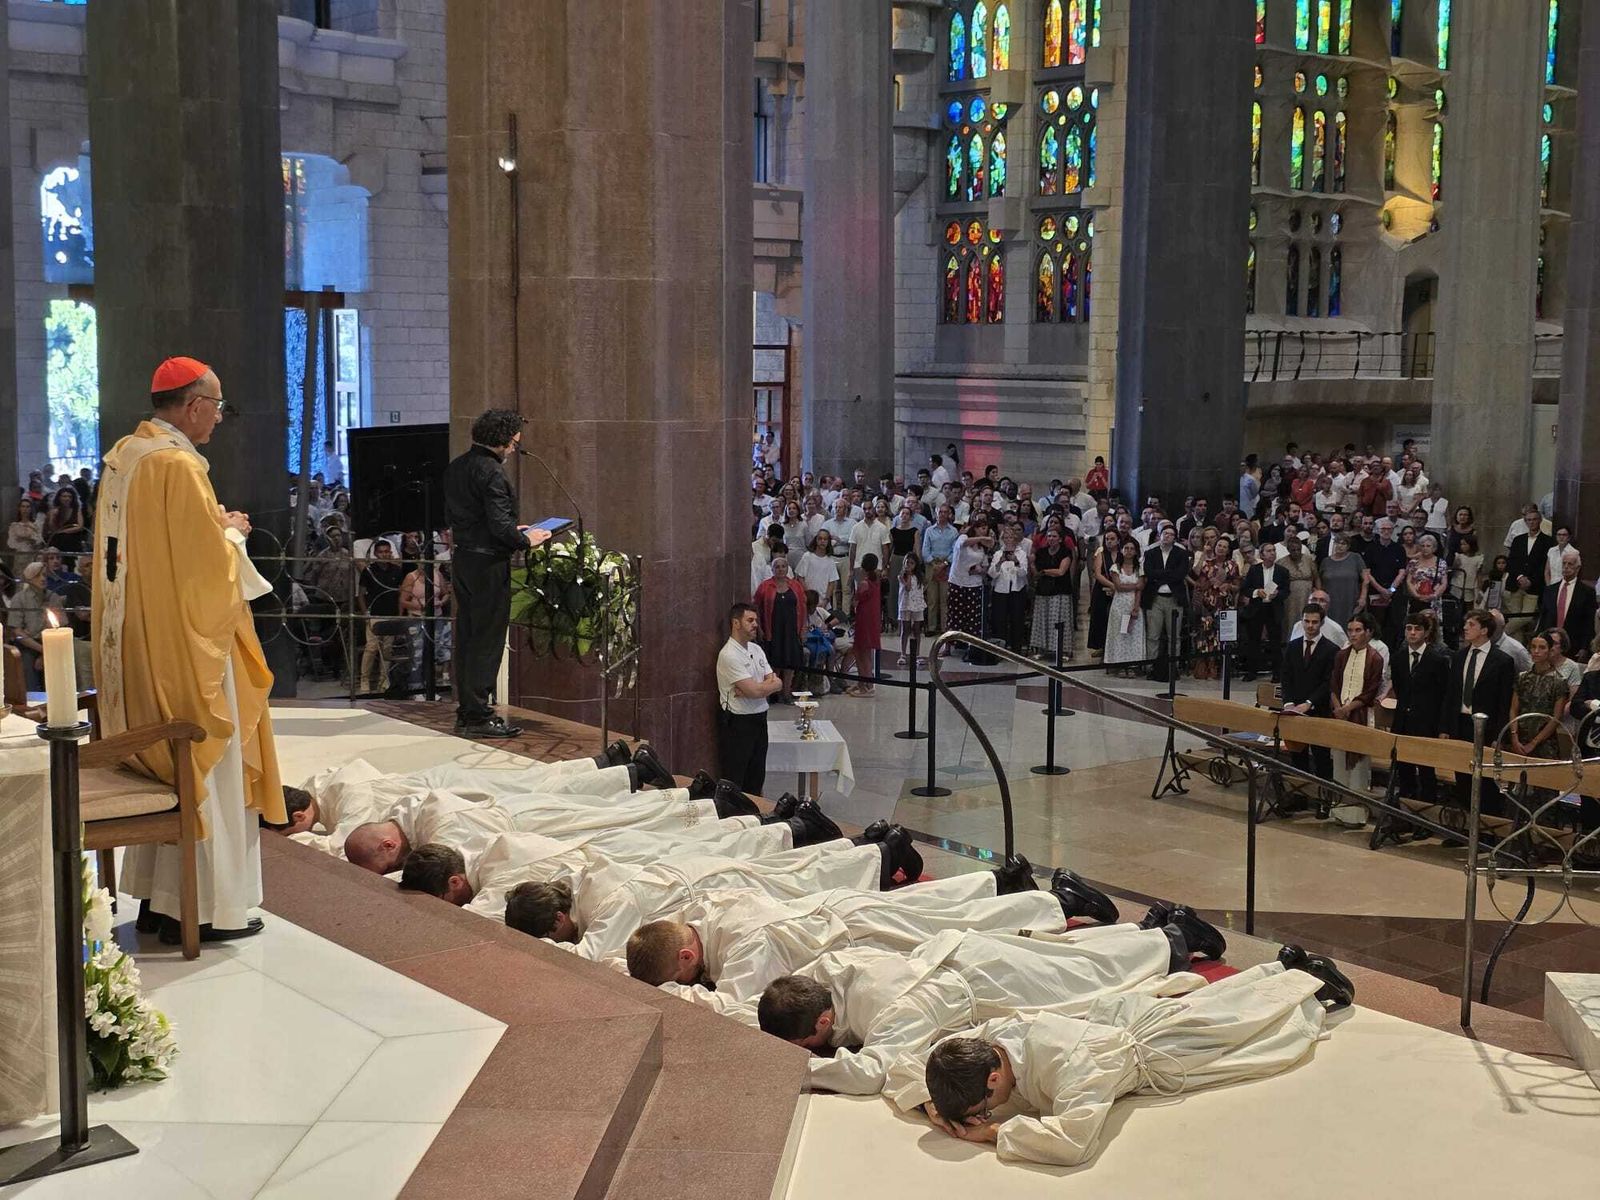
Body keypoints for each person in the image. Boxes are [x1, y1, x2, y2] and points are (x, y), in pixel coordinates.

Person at [94, 356, 286, 948]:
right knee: (212, 757)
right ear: (196, 405)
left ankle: (159, 898)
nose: (220, 419)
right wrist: (232, 530)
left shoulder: (126, 457)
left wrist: (215, 529)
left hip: (143, 642)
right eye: (218, 407)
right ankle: (206, 908)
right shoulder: (178, 465)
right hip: (189, 642)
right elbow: (206, 571)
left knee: (164, 759)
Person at [898, 955, 1348, 1167]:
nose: (988, 1110)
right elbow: (903, 1063)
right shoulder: (986, 1043)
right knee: (1217, 1005)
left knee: (1247, 1036)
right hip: (1117, 1020)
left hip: (1156, 1048)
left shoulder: (1073, 1064)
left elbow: (1074, 1141)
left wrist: (991, 1132)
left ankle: (1314, 987)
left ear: (995, 1076)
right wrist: (933, 1106)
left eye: (984, 1104)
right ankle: (1280, 971)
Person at [753, 909, 1227, 1094]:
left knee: (1088, 977)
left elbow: (869, 1072)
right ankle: (1145, 931)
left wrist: (790, 1068)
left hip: (985, 985)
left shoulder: (894, 1013)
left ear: (823, 1018)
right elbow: (790, 987)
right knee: (1068, 956)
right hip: (961, 952)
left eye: (809, 1039)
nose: (812, 1047)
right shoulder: (834, 969)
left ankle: (1176, 936)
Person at [625, 869, 1119, 1003]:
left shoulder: (745, 949)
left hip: (851, 931)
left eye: (683, 975)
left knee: (954, 930)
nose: (689, 982)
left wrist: (681, 995)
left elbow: (734, 1005)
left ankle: (1064, 903)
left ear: (689, 953)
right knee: (935, 907)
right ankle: (1003, 883)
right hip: (837, 910)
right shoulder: (706, 910)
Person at [442, 409, 552, 737]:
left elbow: (470, 518)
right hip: (488, 564)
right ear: (502, 440)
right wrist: (525, 538)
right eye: (514, 443)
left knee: (469, 635)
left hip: (464, 559)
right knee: (488, 639)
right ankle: (478, 715)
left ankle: (467, 709)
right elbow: (500, 524)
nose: (515, 448)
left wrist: (505, 531)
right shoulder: (492, 472)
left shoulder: (457, 466)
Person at [1439, 609, 1517, 815]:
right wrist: (1445, 727)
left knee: (1487, 780)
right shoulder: (1459, 656)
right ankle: (1463, 827)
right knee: (1462, 776)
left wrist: (1500, 735)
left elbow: (1504, 703)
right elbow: (1450, 694)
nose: (1465, 628)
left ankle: (1488, 829)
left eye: (1471, 624)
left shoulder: (1502, 661)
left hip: (1487, 727)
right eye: (1466, 624)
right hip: (1460, 723)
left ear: (1484, 630)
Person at [717, 602, 779, 794]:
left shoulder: (756, 649)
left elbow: (777, 683)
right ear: (736, 623)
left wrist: (758, 688)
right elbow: (756, 691)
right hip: (738, 723)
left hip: (760, 719)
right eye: (750, 620)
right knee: (736, 778)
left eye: (756, 621)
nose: (755, 625)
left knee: (756, 775)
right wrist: (759, 688)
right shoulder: (729, 655)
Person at [1390, 612, 1450, 808]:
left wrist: (1441, 727)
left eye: (1417, 629)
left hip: (1427, 723)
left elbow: (1443, 695)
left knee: (1426, 772)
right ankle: (1405, 811)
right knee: (1404, 770)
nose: (1412, 633)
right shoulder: (1398, 657)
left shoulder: (1437, 660)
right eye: (1409, 628)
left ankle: (1426, 812)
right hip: (1403, 722)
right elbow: (1399, 689)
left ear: (1426, 633)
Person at [1327, 611, 1385, 802]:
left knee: (1358, 766)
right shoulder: (1341, 655)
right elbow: (1334, 684)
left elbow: (1370, 691)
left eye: (1358, 630)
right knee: (1338, 762)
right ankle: (1338, 808)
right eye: (1350, 630)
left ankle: (1354, 813)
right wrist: (1338, 708)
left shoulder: (1375, 658)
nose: (1353, 634)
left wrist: (1348, 709)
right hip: (1339, 714)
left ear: (1368, 632)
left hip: (1360, 715)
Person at [1281, 604, 1338, 781]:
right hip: (1295, 710)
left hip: (1318, 711)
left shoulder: (1331, 649)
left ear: (1321, 623)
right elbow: (1286, 678)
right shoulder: (1293, 647)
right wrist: (1289, 703)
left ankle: (1324, 799)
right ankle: (1300, 796)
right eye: (1306, 621)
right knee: (1298, 758)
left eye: (1314, 622)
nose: (1310, 625)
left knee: (1321, 758)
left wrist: (1309, 703)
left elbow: (1327, 682)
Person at [753, 554, 806, 702]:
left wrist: (803, 629)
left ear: (788, 568)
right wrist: (760, 629)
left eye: (783, 566)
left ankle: (787, 692)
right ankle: (772, 692)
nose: (780, 569)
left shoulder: (796, 586)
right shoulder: (765, 586)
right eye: (777, 567)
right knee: (774, 662)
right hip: (773, 629)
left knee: (790, 662)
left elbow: (802, 608)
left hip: (791, 629)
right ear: (772, 569)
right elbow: (756, 607)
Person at [1510, 632, 1569, 762]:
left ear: (1550, 650)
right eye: (1533, 647)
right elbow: (1514, 709)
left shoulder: (1559, 681)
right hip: (1519, 738)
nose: (1536, 651)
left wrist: (1534, 743)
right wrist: (1514, 737)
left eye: (1542, 647)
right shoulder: (1522, 677)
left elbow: (1556, 717)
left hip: (1545, 742)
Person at [1141, 524, 1190, 678]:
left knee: (1174, 637)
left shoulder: (1181, 554)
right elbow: (1149, 572)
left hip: (1174, 599)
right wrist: (1167, 575)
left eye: (1171, 534)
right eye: (1165, 533)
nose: (1168, 536)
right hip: (1155, 598)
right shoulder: (1150, 553)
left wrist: (1160, 576)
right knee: (1153, 635)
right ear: (1160, 535)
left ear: (1175, 538)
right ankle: (1150, 667)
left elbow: (1180, 574)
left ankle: (1173, 667)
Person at [1239, 542, 1290, 681]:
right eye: (1268, 551)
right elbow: (1245, 589)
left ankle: (1277, 672)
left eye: (1273, 550)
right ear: (1261, 554)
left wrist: (1277, 594)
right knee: (1253, 640)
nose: (1272, 553)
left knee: (1275, 641)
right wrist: (1256, 592)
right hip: (1257, 608)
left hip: (1273, 608)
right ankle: (1251, 671)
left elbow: (1286, 591)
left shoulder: (1282, 571)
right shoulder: (1254, 570)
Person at [1503, 504, 1555, 641]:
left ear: (1540, 521)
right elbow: (1512, 562)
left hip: (1534, 585)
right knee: (1516, 619)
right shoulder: (1518, 540)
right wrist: (1520, 577)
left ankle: (1500, 634)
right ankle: (1519, 651)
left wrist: (1530, 580)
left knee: (1526, 617)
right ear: (1525, 522)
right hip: (1516, 583)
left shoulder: (1548, 541)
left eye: (1534, 519)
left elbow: (1544, 565)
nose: (1531, 522)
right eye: (1529, 520)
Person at [1029, 525, 1075, 660]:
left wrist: (1045, 571)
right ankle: (1041, 649)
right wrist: (1032, 564)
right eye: (1049, 536)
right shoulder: (1041, 552)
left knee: (1060, 620)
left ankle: (1063, 651)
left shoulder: (1065, 552)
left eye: (1054, 536)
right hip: (1043, 591)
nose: (1051, 539)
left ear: (1060, 539)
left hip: (1060, 591)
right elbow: (1036, 574)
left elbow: (1061, 572)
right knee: (1042, 620)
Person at [1103, 540, 1145, 675]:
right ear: (1122, 550)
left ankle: (1132, 665)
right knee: (1120, 634)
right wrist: (1135, 586)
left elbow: (1141, 589)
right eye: (1126, 548)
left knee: (1133, 635)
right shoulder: (1116, 567)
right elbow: (1119, 586)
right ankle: (1120, 665)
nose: (1129, 551)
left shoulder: (1140, 568)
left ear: (1136, 551)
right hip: (1119, 605)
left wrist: (1136, 607)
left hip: (1133, 604)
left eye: (1132, 548)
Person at [1538, 549, 1597, 645]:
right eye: (1564, 563)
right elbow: (1543, 618)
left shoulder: (1587, 592)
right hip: (1549, 642)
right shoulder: (1550, 590)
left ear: (1578, 568)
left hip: (1574, 643)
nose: (1566, 567)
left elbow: (1589, 623)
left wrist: (1584, 647)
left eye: (1570, 564)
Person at [987, 525, 1029, 654]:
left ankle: (1016, 648)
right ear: (1003, 539)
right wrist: (999, 563)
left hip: (1017, 590)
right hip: (1000, 591)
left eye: (1011, 537)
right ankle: (1000, 648)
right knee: (1000, 619)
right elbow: (991, 574)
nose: (1009, 539)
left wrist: (1016, 562)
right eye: (1006, 537)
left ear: (1015, 538)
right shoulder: (998, 554)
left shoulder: (1021, 554)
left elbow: (1023, 573)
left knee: (1017, 619)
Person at [844, 553, 883, 695]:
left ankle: (864, 686)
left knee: (861, 652)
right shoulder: (876, 582)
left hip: (864, 619)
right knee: (866, 653)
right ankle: (866, 682)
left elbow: (856, 601)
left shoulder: (864, 584)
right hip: (872, 620)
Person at [1319, 533, 1363, 628]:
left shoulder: (1355, 558)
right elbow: (1319, 581)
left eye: (1343, 544)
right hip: (1331, 602)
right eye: (1337, 543)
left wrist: (1362, 597)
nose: (1340, 546)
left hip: (1350, 600)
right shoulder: (1325, 561)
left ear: (1348, 546)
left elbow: (1366, 580)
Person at [897, 551, 927, 668]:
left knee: (917, 630)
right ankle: (903, 653)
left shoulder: (919, 577)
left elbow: (922, 587)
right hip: (906, 605)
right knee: (905, 629)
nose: (909, 565)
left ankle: (917, 654)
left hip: (917, 605)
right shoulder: (901, 576)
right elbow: (908, 588)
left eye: (912, 563)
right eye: (907, 562)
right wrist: (908, 575)